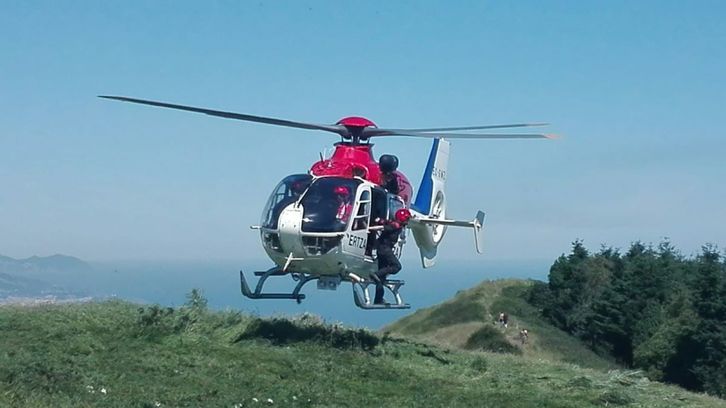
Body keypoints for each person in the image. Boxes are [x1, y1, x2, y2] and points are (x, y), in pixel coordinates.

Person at [372, 208, 411, 304]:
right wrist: (381, 225)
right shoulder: (395, 226)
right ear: (402, 219)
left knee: (381, 279)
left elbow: (386, 223)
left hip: (381, 250)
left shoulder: (395, 225)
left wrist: (381, 221)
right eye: (407, 219)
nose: (407, 222)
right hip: (385, 250)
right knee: (397, 266)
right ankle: (376, 274)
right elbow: (387, 227)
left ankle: (378, 299)